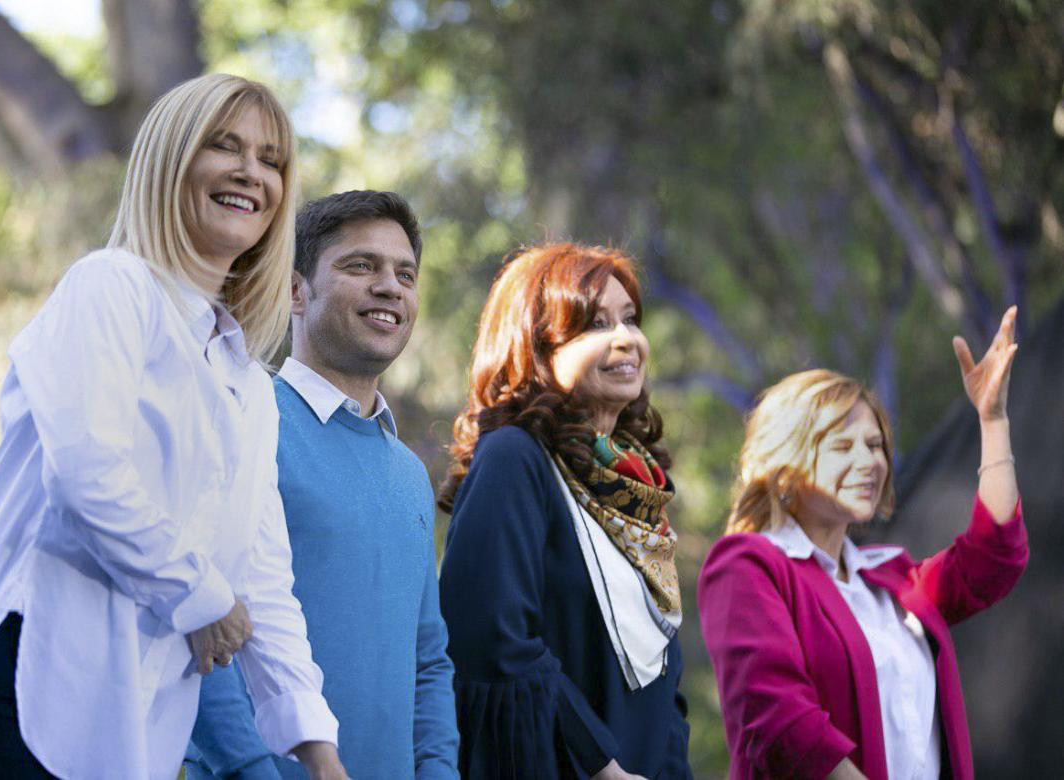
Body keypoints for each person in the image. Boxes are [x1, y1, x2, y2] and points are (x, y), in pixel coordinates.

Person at [0, 74, 348, 779]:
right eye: (223, 146)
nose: (250, 173)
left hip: (125, 734)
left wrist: (320, 755)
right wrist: (204, 599)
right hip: (17, 695)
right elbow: (86, 476)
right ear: (171, 162)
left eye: (271, 160)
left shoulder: (249, 388)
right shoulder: (110, 288)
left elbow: (262, 579)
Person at [186, 190, 459, 779]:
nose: (390, 286)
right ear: (293, 290)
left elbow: (428, 660)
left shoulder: (410, 475)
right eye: (360, 265)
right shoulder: (246, 422)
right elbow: (199, 619)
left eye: (405, 273)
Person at [698, 307, 1027, 780]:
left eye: (875, 445)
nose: (870, 461)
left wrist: (992, 422)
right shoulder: (747, 565)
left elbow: (994, 557)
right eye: (842, 446)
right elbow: (780, 723)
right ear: (784, 465)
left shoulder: (892, 582)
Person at [437, 243, 693, 779]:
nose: (626, 339)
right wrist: (602, 768)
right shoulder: (515, 457)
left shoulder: (636, 484)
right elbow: (493, 638)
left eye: (630, 319)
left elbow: (663, 676)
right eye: (595, 325)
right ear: (535, 347)